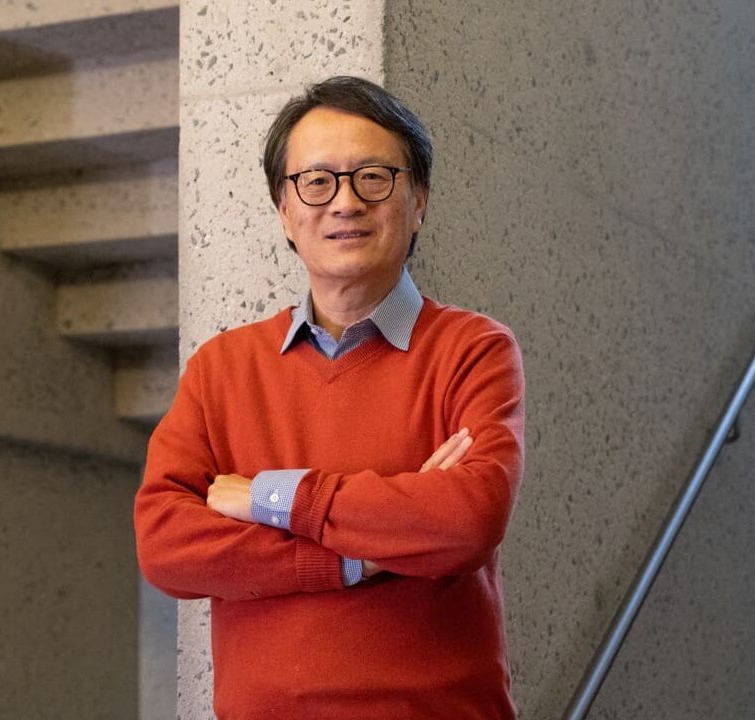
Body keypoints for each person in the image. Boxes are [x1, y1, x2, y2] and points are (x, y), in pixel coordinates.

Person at [133, 76, 525, 719]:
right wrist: (356, 556)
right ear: (285, 210)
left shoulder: (472, 349)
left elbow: (467, 518)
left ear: (419, 200)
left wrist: (269, 497)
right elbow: (167, 544)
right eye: (316, 182)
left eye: (374, 177)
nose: (344, 203)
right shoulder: (221, 369)